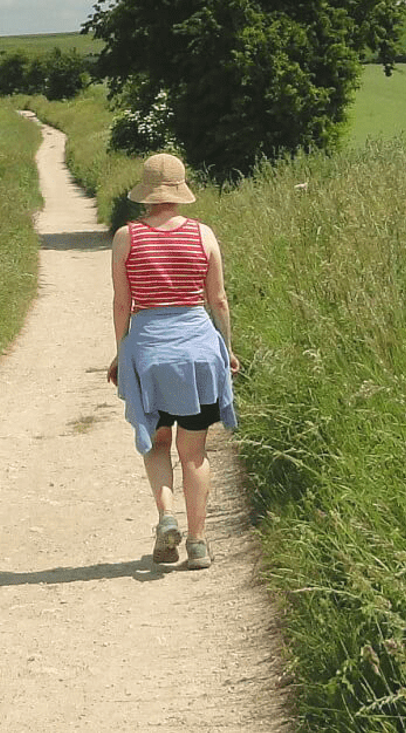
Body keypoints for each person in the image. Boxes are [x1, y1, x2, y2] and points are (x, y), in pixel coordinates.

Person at [107, 152, 238, 571]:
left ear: (146, 194)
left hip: (151, 352)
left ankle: (166, 517)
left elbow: (122, 302)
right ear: (180, 193)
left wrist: (121, 352)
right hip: (198, 350)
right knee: (194, 453)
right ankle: (198, 543)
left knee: (159, 442)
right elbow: (217, 300)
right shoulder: (203, 235)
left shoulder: (128, 237)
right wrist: (227, 348)